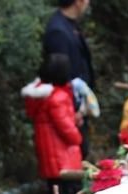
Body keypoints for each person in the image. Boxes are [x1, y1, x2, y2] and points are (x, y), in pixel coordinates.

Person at [22, 53, 83, 194]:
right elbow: (65, 127)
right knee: (68, 192)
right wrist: (78, 137)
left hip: (48, 152)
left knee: (55, 189)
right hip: (62, 154)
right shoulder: (58, 97)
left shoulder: (38, 96)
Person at [42, 0, 94, 154]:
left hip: (77, 107)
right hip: (68, 109)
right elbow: (59, 74)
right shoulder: (58, 31)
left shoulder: (71, 26)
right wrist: (73, 108)